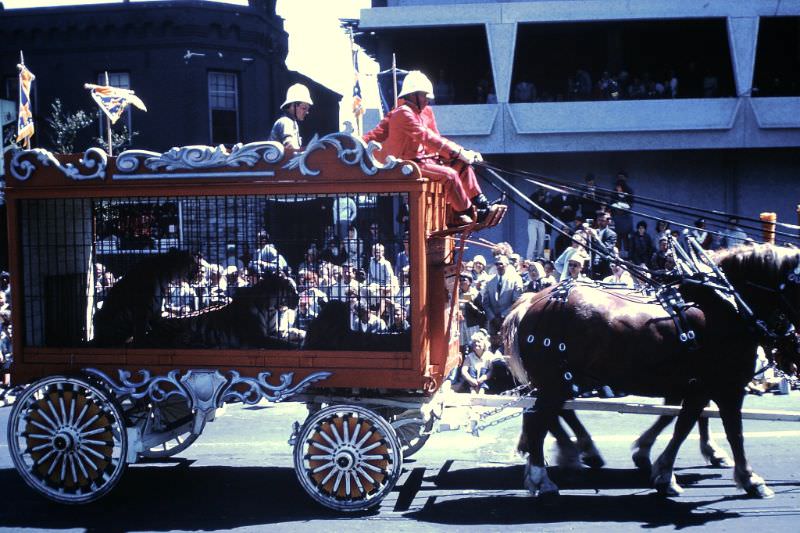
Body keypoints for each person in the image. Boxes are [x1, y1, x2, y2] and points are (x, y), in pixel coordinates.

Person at [363, 70, 499, 226]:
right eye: (424, 96)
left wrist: (462, 153)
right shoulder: (402, 113)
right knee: (449, 175)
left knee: (461, 165)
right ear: (412, 95)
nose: (428, 100)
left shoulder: (422, 112)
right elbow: (427, 137)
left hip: (421, 160)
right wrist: (459, 152)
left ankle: (481, 203)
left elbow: (437, 138)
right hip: (405, 164)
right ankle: (468, 213)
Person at [482, 255, 523, 335]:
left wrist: (502, 315)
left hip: (508, 320)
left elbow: (516, 302)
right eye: (497, 264)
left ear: (507, 265)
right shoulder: (489, 281)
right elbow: (485, 303)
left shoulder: (515, 280)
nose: (499, 266)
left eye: (501, 264)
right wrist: (492, 318)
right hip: (493, 323)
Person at [269, 83, 313, 150]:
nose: (306, 112)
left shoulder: (292, 123)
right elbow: (290, 147)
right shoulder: (286, 122)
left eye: (307, 109)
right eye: (304, 108)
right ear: (293, 106)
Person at [526, 188, 548, 260]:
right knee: (533, 240)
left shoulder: (546, 200)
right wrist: (535, 193)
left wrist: (546, 196)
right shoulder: (534, 198)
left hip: (542, 221)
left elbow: (548, 207)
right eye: (541, 194)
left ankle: (539, 257)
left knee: (541, 241)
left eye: (543, 195)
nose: (541, 196)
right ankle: (529, 258)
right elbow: (527, 201)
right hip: (532, 220)